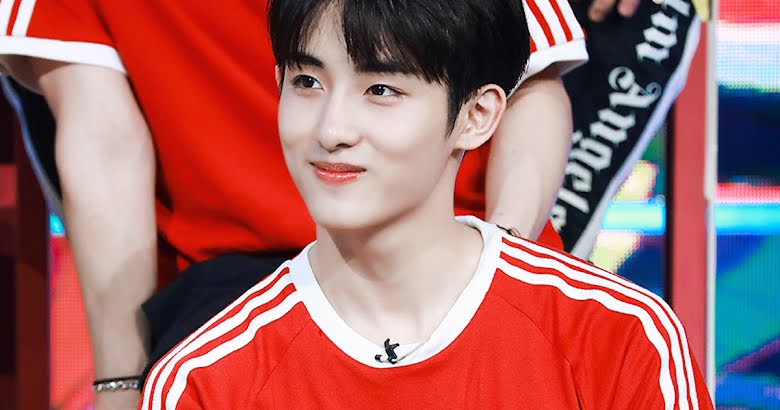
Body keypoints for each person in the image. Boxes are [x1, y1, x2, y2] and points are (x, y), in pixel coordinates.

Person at [0, 1, 587, 407]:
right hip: (235, 291)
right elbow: (104, 145)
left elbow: (529, 82)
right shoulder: (204, 372)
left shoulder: (609, 332)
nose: (334, 129)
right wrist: (122, 386)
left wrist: (502, 270)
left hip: (467, 254)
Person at [140, 0, 712, 407]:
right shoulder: (203, 379)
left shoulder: (620, 336)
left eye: (380, 90)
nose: (330, 130)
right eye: (307, 82)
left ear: (477, 116)